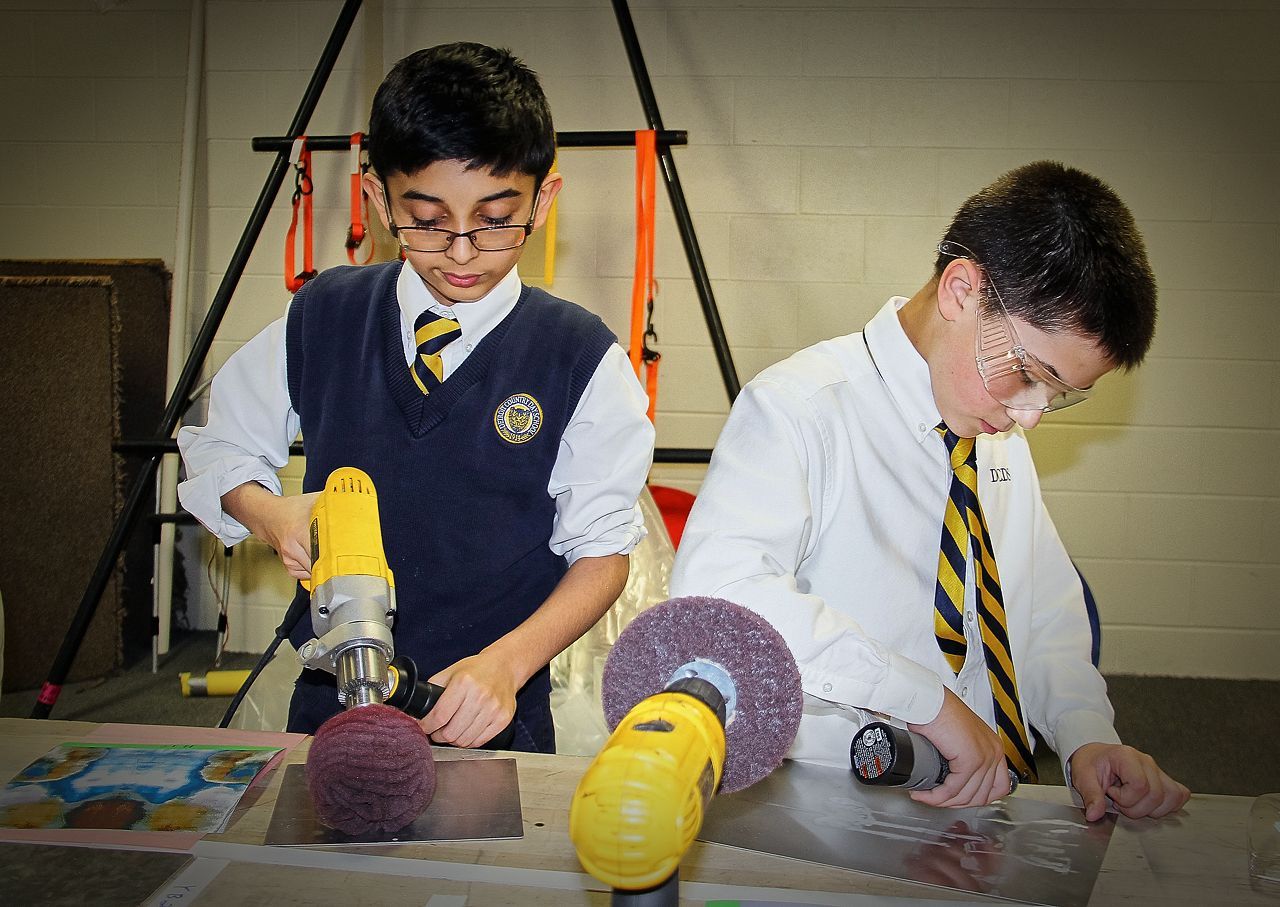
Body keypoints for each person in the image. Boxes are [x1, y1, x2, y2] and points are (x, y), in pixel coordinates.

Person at [670, 161, 1189, 821]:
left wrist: (1085, 733)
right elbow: (720, 596)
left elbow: (1040, 612)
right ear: (961, 290)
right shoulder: (800, 410)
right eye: (1029, 374)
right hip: (829, 815)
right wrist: (922, 700)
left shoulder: (994, 431)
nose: (1032, 414)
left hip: (976, 809)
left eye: (1060, 395)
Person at [178, 43, 654, 751]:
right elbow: (217, 447)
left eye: (495, 219)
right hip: (331, 709)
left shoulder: (581, 359)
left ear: (543, 200)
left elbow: (603, 556)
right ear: (378, 199)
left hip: (489, 712)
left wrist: (508, 663)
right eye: (427, 220)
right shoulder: (323, 316)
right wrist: (272, 515)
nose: (461, 251)